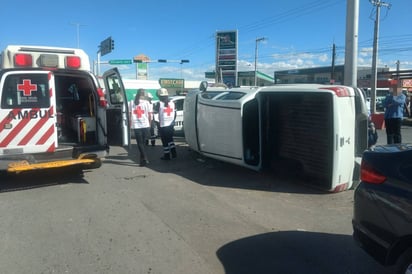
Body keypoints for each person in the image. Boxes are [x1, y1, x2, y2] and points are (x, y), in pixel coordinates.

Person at [130, 89, 151, 166]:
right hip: (145, 124)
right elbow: (149, 115)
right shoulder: (147, 103)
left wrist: (130, 124)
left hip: (136, 125)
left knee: (140, 143)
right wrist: (150, 124)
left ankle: (143, 160)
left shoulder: (132, 102)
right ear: (144, 94)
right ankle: (144, 158)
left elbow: (130, 114)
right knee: (143, 143)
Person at [156, 88, 177, 160]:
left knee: (165, 141)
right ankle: (174, 153)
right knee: (170, 139)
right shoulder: (172, 103)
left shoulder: (159, 104)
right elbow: (175, 113)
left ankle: (167, 155)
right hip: (170, 125)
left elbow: (155, 114)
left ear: (159, 96)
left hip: (163, 125)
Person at [383, 80, 406, 144]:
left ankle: (398, 147)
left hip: (397, 117)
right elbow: (384, 104)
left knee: (397, 134)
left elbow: (398, 102)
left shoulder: (402, 96)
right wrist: (391, 103)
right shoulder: (388, 95)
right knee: (389, 134)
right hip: (388, 117)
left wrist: (394, 96)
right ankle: (390, 147)